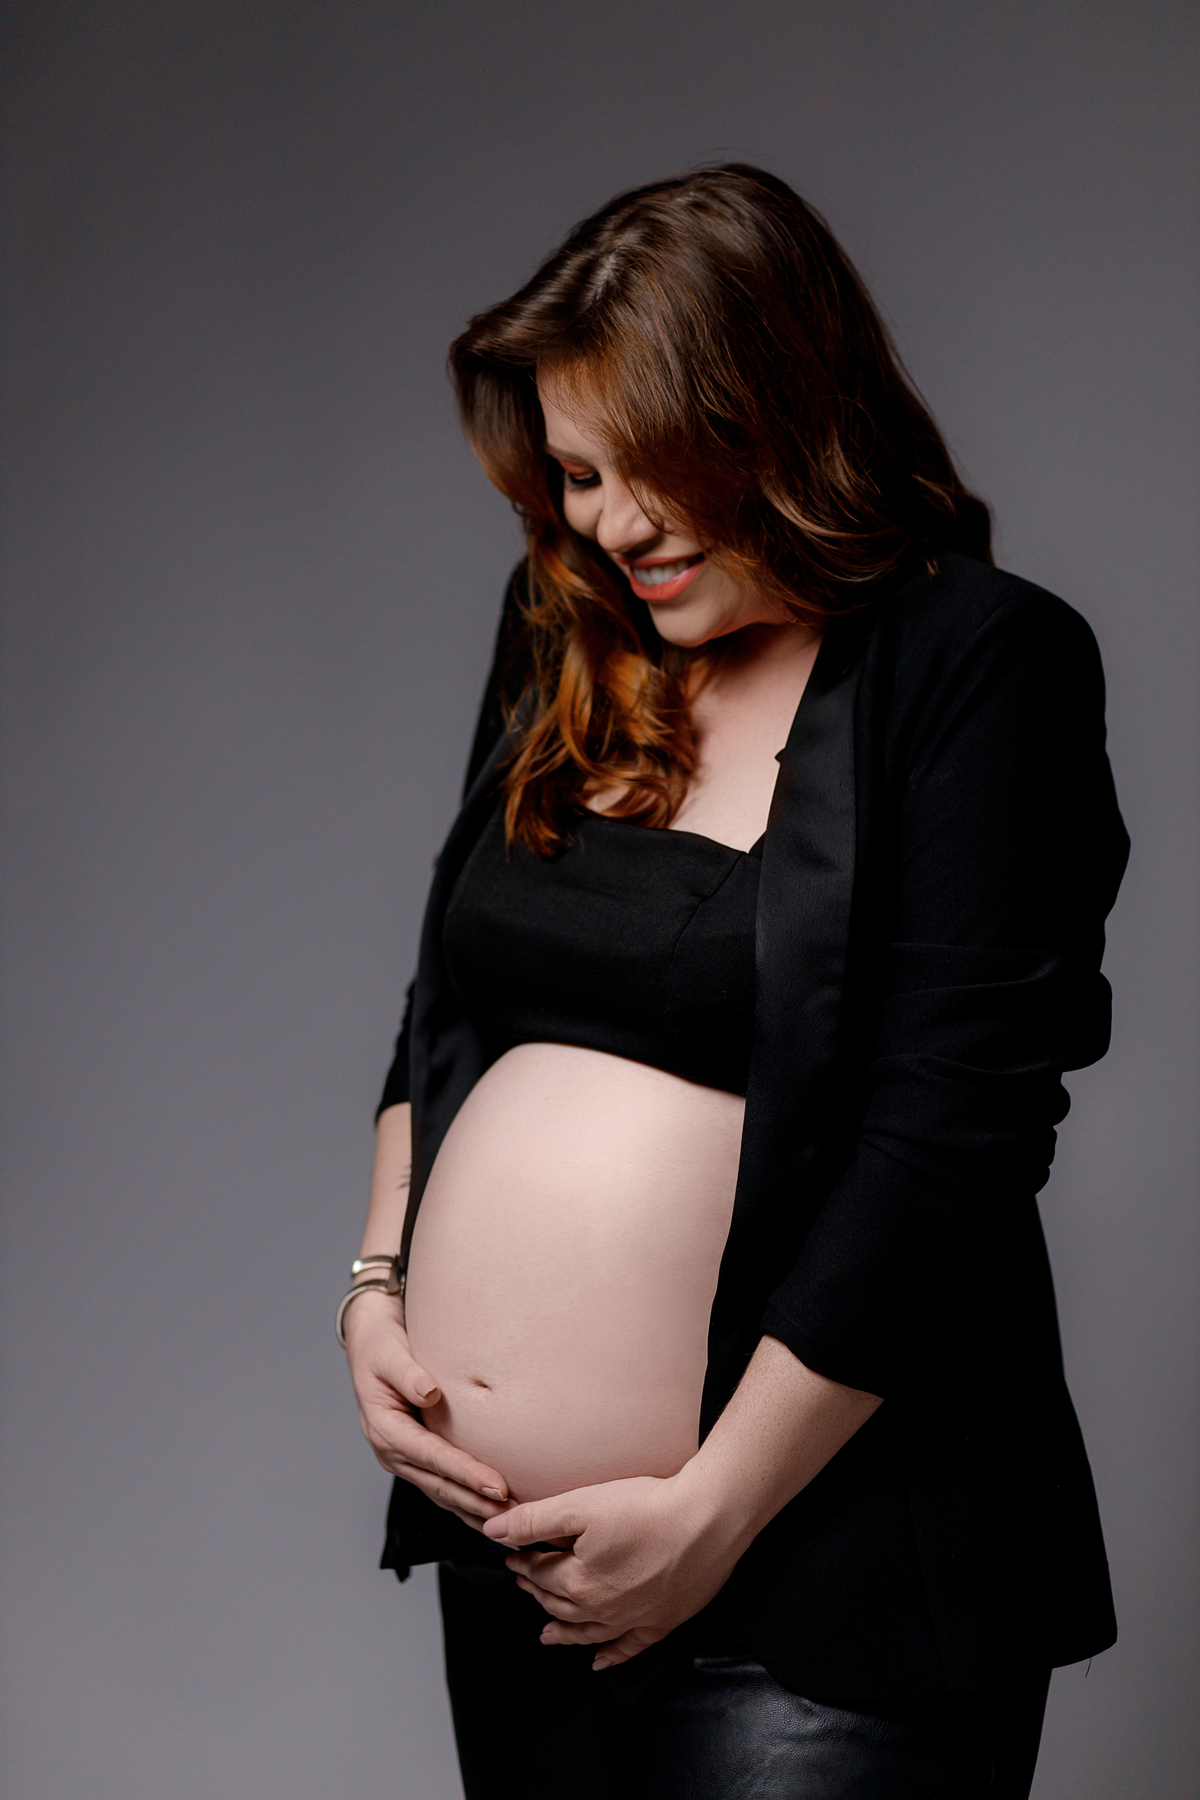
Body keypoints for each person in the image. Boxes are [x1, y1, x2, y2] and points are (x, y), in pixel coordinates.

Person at [338, 165, 1128, 1799]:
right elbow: (444, 1005)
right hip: (520, 1566)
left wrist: (710, 1514)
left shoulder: (981, 662)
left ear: (785, 419)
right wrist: (377, 1290)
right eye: (578, 474)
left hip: (829, 1576)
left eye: (655, 467)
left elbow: (954, 1140)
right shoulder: (571, 627)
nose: (612, 524)